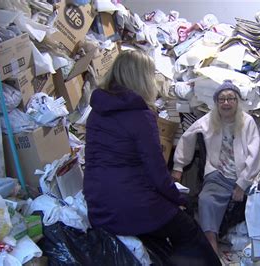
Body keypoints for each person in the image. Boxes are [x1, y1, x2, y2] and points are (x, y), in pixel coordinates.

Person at [83, 50, 221, 266]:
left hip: (98, 203)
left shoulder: (96, 111)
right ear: (140, 78)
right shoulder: (140, 116)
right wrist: (179, 199)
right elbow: (156, 172)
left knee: (162, 232)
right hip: (129, 205)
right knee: (189, 231)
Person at [171, 80, 260, 255]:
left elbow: (256, 155)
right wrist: (178, 165)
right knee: (206, 199)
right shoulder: (208, 120)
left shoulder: (247, 122)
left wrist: (242, 183)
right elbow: (187, 137)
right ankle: (211, 242)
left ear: (237, 102)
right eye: (221, 99)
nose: (226, 103)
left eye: (231, 99)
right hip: (218, 174)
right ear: (216, 103)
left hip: (244, 175)